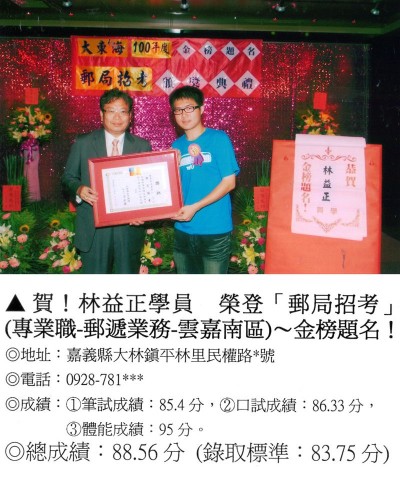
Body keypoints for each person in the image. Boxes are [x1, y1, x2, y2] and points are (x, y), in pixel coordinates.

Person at [62, 88, 152, 274]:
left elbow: (147, 186)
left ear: (130, 116)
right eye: (111, 111)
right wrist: (79, 189)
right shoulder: (84, 143)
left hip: (129, 229)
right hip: (94, 229)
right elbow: (68, 178)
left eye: (123, 111)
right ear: (102, 114)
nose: (117, 117)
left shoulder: (142, 146)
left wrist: (144, 211)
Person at [169, 85, 240, 274]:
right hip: (183, 229)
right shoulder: (175, 147)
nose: (184, 115)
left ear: (201, 108)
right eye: (178, 110)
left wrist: (195, 207)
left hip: (214, 230)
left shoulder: (218, 139)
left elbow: (229, 182)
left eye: (189, 108)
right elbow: (172, 187)